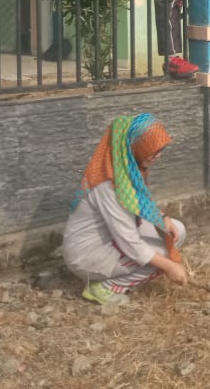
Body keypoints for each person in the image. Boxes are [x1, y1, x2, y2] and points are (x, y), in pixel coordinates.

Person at [62, 113, 187, 305]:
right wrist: (170, 267)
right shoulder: (109, 185)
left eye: (159, 150)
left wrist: (163, 217)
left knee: (176, 231)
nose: (158, 156)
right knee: (163, 257)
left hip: (110, 238)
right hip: (88, 254)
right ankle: (104, 287)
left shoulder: (125, 169)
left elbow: (138, 204)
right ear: (135, 147)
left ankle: (118, 274)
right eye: (152, 151)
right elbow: (130, 242)